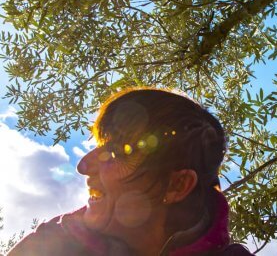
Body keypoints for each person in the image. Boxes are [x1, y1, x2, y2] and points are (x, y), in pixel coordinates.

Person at [8, 88, 254, 255]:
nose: (83, 165)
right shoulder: (54, 244)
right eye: (98, 147)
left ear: (177, 185)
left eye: (118, 152)